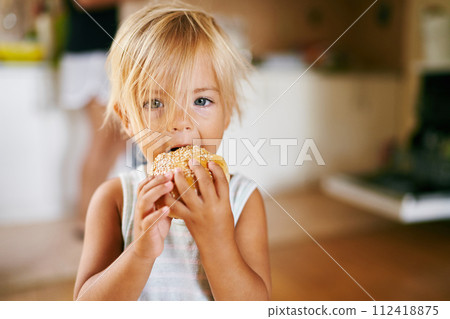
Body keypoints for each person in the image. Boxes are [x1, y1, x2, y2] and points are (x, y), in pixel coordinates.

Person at [73, 2, 271, 300]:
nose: (180, 123)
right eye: (155, 103)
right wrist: (139, 253)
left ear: (227, 112)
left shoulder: (244, 201)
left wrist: (217, 242)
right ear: (127, 119)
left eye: (201, 101)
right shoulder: (114, 200)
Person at [59, 0, 127, 236]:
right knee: (102, 135)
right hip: (88, 55)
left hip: (105, 52)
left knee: (119, 136)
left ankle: (95, 210)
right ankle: (85, 218)